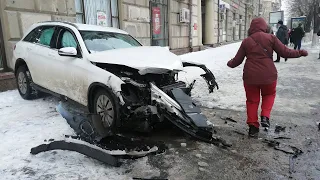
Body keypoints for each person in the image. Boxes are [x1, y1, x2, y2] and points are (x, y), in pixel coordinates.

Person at [227, 18, 308, 137]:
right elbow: (285, 52)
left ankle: (253, 127)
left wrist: (230, 63)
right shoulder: (271, 38)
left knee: (252, 101)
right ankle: (265, 116)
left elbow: (237, 60)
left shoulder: (246, 41)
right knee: (269, 95)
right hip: (269, 75)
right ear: (265, 27)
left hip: (250, 77)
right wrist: (299, 53)